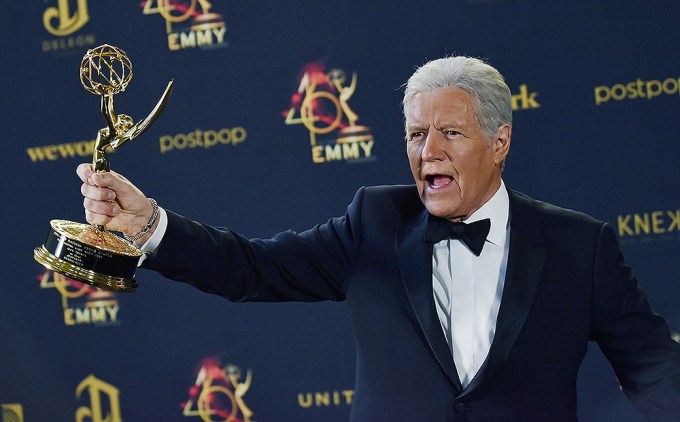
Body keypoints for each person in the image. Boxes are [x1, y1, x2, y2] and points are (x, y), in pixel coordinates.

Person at [78, 56, 680, 421]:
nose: (428, 152)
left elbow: (657, 373)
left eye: (450, 133)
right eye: (417, 134)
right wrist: (150, 224)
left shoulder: (580, 247)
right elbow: (252, 268)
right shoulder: (374, 223)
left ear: (500, 142)